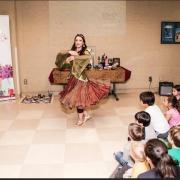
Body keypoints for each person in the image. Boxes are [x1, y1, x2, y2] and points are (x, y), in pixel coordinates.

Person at [57, 34, 110, 126]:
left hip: (81, 79)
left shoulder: (87, 51)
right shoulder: (72, 51)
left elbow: (87, 58)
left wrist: (75, 55)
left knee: (79, 99)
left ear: (83, 42)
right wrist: (67, 59)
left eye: (80, 40)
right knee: (78, 99)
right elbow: (65, 64)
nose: (78, 42)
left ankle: (80, 119)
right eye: (76, 40)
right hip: (73, 78)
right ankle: (85, 115)